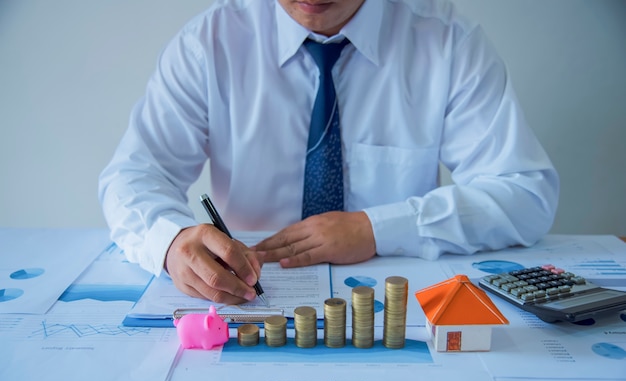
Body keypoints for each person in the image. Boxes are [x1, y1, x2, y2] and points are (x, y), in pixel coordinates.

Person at [98, 0, 559, 306]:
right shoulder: (209, 43)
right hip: (250, 300)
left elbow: (526, 194)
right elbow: (133, 177)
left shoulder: (446, 41)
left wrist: (378, 228)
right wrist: (171, 240)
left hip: (395, 310)